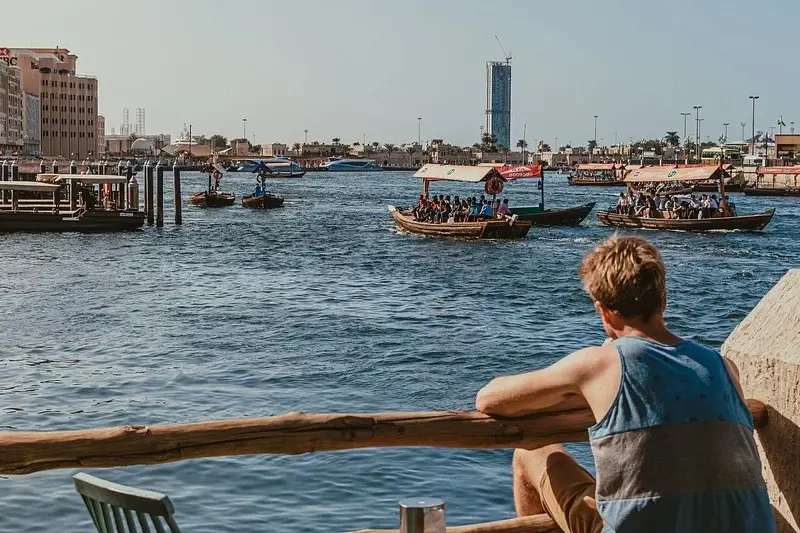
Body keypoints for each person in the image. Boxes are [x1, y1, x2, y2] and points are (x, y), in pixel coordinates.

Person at [476, 235, 775, 533]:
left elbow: (489, 399)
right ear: (664, 299)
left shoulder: (600, 364)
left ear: (603, 310)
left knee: (531, 453)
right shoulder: (722, 365)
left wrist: (584, 390)